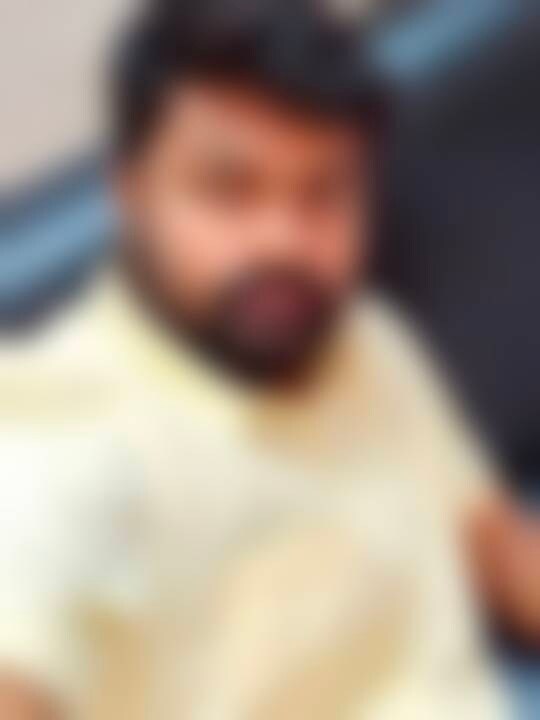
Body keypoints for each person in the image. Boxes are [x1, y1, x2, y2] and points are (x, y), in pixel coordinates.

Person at [0, 1, 506, 718]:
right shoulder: (54, 421)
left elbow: (489, 539)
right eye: (228, 190)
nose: (283, 242)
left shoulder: (364, 338)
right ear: (130, 189)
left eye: (324, 192)